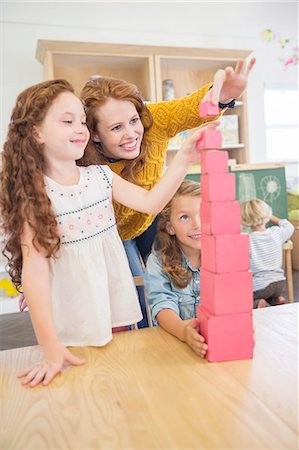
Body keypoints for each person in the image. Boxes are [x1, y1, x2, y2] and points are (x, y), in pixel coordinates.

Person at [0, 79, 215, 387]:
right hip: (72, 315)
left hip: (114, 302)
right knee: (81, 386)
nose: (79, 129)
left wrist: (182, 160)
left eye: (81, 121)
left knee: (120, 377)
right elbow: (35, 269)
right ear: (36, 133)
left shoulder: (100, 176)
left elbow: (151, 203)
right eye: (67, 121)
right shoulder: (36, 195)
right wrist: (49, 350)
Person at [78, 57, 256, 328]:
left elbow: (188, 108)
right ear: (95, 135)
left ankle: (180, 331)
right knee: (133, 290)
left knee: (172, 278)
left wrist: (224, 95)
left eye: (133, 121)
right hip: (113, 232)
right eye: (116, 128)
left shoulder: (154, 122)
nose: (131, 134)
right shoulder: (86, 162)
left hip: (150, 218)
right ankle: (142, 341)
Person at [144, 180, 207, 358]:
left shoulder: (224, 256)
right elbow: (162, 304)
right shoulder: (158, 260)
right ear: (170, 227)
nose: (197, 224)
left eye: (203, 214)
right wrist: (184, 332)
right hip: (175, 349)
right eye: (184, 217)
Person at [240, 199, 294, 308]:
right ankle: (277, 299)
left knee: (242, 299)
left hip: (260, 286)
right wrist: (271, 217)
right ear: (267, 215)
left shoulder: (246, 239)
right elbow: (289, 227)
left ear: (245, 219)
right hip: (279, 283)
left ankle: (258, 304)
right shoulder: (276, 232)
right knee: (270, 292)